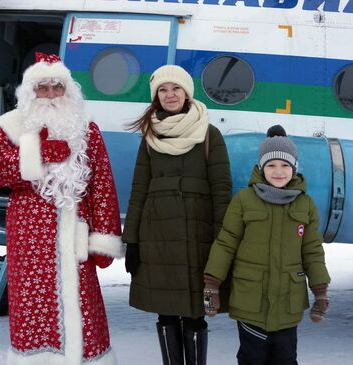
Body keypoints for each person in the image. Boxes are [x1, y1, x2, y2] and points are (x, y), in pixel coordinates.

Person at [0, 52, 123, 365]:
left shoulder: (86, 130)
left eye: (56, 88)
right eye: (42, 88)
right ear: (30, 93)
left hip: (75, 236)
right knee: (32, 308)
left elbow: (102, 186)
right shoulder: (12, 127)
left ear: (68, 91)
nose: (49, 95)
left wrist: (105, 237)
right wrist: (38, 154)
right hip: (29, 238)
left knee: (82, 307)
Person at [122, 64, 232, 365]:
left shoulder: (210, 134)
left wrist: (223, 241)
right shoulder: (150, 136)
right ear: (156, 96)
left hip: (199, 238)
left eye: (176, 88)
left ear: (187, 92)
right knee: (167, 312)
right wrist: (131, 240)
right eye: (163, 89)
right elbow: (139, 190)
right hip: (156, 237)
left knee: (196, 313)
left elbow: (222, 192)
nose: (170, 94)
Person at [203, 125, 331, 365]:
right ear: (261, 167)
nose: (278, 171)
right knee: (252, 358)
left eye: (285, 165)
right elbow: (226, 243)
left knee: (285, 358)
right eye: (271, 165)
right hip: (250, 298)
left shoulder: (306, 205)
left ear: (294, 168)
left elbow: (312, 251)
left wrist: (321, 291)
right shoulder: (243, 200)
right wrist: (212, 284)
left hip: (287, 302)